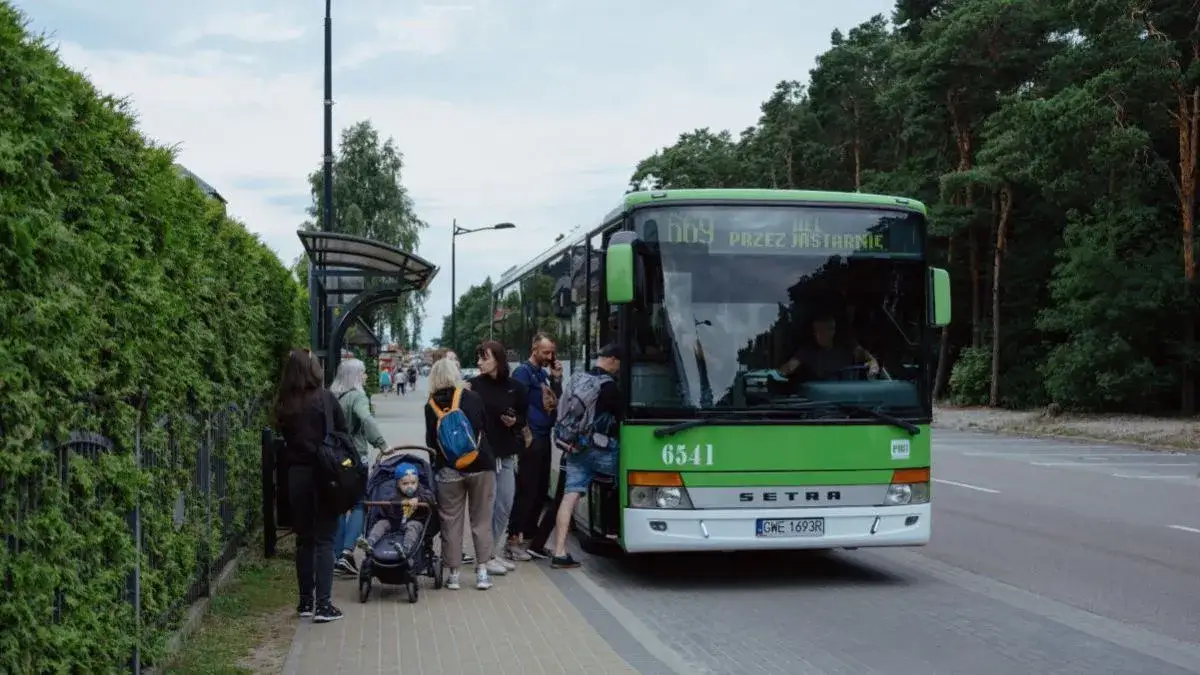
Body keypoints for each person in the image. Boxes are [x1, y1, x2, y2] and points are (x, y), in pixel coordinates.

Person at [273, 349, 344, 623]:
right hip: (324, 474)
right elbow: (342, 431)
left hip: (297, 475)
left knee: (304, 539)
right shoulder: (325, 399)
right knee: (325, 540)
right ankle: (324, 605)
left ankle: (305, 602)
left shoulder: (284, 403)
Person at [425, 357, 498, 590]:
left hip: (448, 470)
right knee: (481, 520)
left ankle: (454, 574)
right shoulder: (472, 398)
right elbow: (483, 427)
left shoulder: (430, 406)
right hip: (480, 465)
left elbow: (431, 442)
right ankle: (483, 572)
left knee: (450, 521)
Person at [549, 343, 624, 569]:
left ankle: (560, 551)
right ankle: (613, 528)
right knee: (623, 477)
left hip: (575, 447)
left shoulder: (577, 378)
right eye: (619, 363)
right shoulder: (609, 386)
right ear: (612, 360)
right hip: (600, 450)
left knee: (569, 495)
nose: (619, 368)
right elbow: (621, 416)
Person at [468, 341, 529, 575]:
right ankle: (484, 557)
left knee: (505, 504)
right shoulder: (473, 386)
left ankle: (492, 552)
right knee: (488, 507)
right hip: (484, 454)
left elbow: (524, 416)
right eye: (479, 358)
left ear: (498, 360)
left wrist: (515, 421)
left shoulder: (515, 387)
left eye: (484, 358)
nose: (479, 363)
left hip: (506, 452)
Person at [329, 358, 388, 576]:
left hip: (334, 456)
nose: (365, 376)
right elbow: (367, 420)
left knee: (339, 505)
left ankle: (335, 556)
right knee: (359, 503)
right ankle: (346, 553)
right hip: (355, 458)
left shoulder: (332, 395)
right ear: (354, 376)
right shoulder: (357, 397)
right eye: (362, 373)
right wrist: (382, 444)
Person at [507, 334, 563, 560]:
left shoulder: (542, 373)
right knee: (526, 490)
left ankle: (530, 537)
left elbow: (554, 402)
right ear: (534, 349)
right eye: (545, 352)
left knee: (540, 490)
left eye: (552, 353)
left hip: (544, 435)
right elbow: (515, 403)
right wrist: (521, 429)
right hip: (531, 437)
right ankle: (513, 540)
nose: (549, 357)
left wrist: (557, 379)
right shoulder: (523, 373)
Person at [364, 462, 436, 560]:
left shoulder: (420, 490)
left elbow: (431, 497)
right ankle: (370, 542)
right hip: (394, 521)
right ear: (398, 484)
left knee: (414, 526)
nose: (410, 486)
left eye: (413, 483)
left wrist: (418, 499)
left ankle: (406, 549)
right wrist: (400, 502)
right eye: (405, 483)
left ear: (418, 481)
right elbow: (387, 500)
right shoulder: (393, 491)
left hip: (413, 520)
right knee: (381, 523)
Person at [777, 313, 879, 380]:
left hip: (848, 401)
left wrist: (873, 366)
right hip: (817, 404)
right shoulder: (807, 352)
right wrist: (784, 370)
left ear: (833, 331)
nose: (820, 335)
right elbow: (789, 367)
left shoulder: (847, 346)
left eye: (824, 331)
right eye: (817, 331)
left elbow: (868, 359)